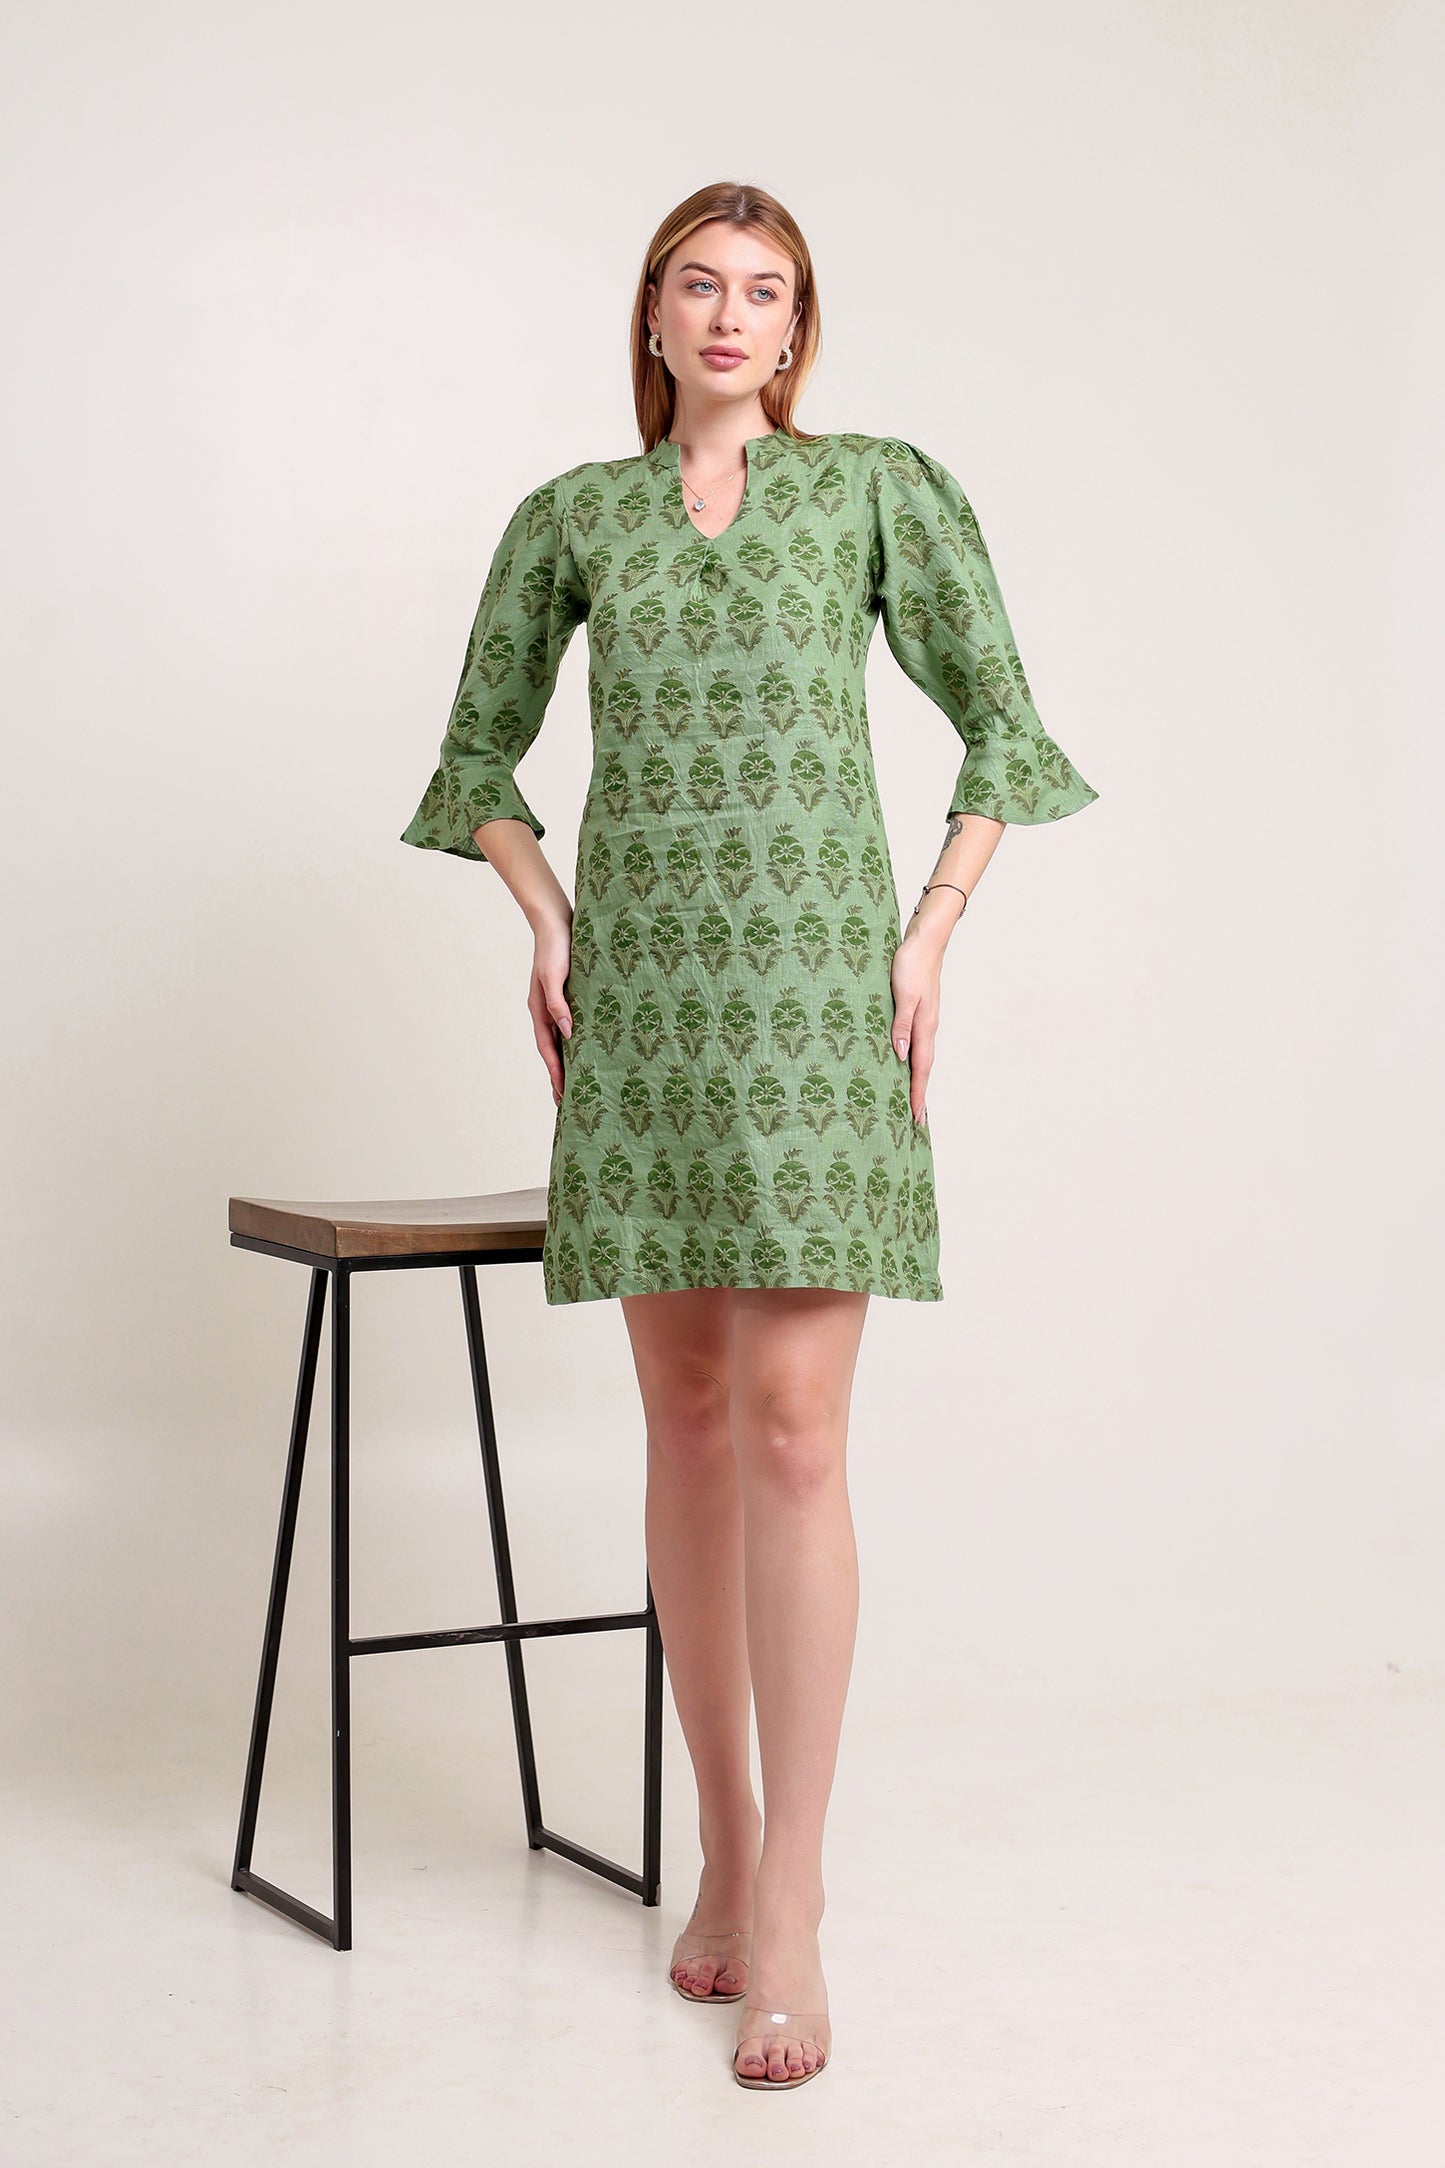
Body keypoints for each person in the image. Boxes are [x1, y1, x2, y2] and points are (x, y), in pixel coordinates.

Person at [400, 180, 1100, 2090]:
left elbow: (1005, 727)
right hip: (643, 1020)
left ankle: (789, 1894)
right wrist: (543, 919)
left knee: (795, 1432)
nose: (730, 316)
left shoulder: (874, 486)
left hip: (812, 1003)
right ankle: (715, 1843)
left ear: (799, 331)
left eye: (765, 292)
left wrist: (929, 935)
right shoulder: (574, 518)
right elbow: (476, 757)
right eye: (697, 286)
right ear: (651, 316)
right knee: (688, 1430)